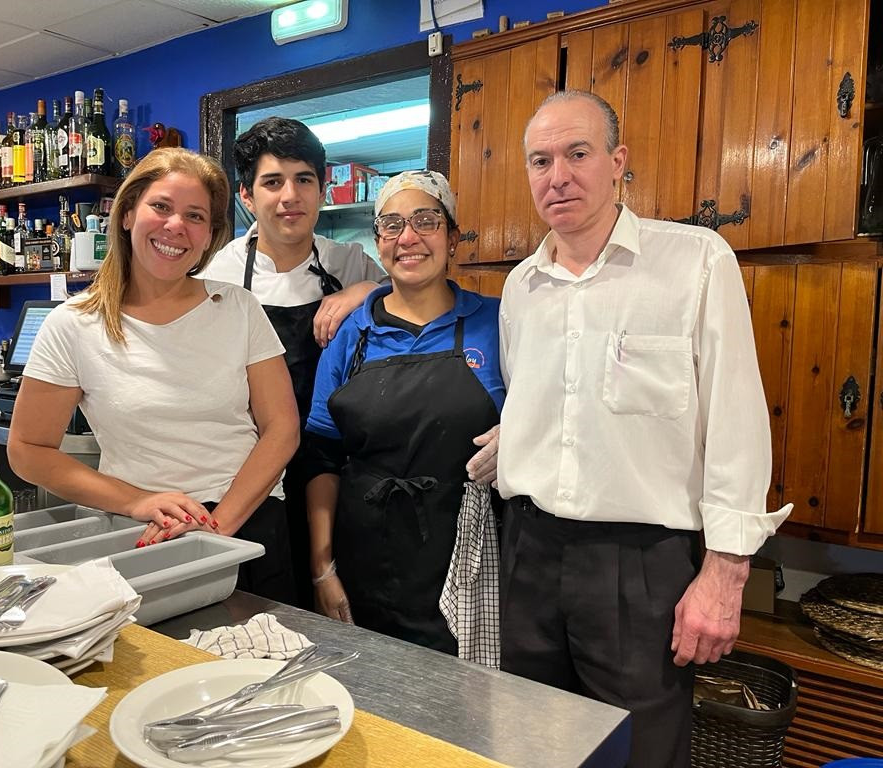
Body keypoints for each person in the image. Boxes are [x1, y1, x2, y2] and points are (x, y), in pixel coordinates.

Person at [497, 90, 792, 767]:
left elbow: (737, 425)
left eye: (578, 154)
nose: (558, 176)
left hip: (640, 562)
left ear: (617, 161)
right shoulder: (522, 287)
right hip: (529, 551)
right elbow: (530, 406)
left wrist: (725, 575)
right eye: (540, 161)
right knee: (532, 744)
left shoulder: (694, 262)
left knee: (642, 753)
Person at [8, 147, 299, 603]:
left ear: (209, 237)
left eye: (195, 216)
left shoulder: (239, 308)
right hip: (138, 531)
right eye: (160, 206)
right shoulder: (73, 323)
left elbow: (281, 430)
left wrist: (215, 528)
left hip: (247, 522)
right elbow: (28, 450)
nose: (175, 226)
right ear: (127, 214)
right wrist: (136, 501)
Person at [305, 170, 505, 654]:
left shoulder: (499, 323)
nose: (408, 237)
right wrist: (323, 567)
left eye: (425, 220)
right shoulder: (351, 333)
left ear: (453, 236)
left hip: (470, 558)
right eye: (391, 225)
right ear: (378, 243)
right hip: (365, 558)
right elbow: (320, 458)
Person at [200, 116, 385, 607]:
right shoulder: (218, 274)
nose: (290, 196)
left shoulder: (350, 263)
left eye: (304, 180)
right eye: (272, 182)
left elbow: (411, 294)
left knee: (338, 586)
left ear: (322, 189)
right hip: (250, 462)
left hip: (330, 457)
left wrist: (364, 291)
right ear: (246, 196)